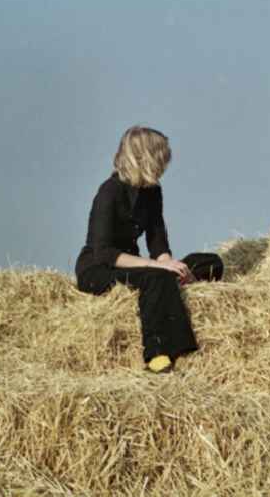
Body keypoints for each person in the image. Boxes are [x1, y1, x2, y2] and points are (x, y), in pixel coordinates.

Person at [75, 126, 224, 374]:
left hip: (137, 266)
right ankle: (157, 354)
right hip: (99, 269)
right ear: (146, 157)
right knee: (156, 277)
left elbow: (158, 243)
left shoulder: (153, 192)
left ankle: (181, 284)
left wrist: (173, 266)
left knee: (211, 262)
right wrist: (158, 266)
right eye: (162, 156)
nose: (165, 163)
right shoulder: (109, 192)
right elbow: (104, 253)